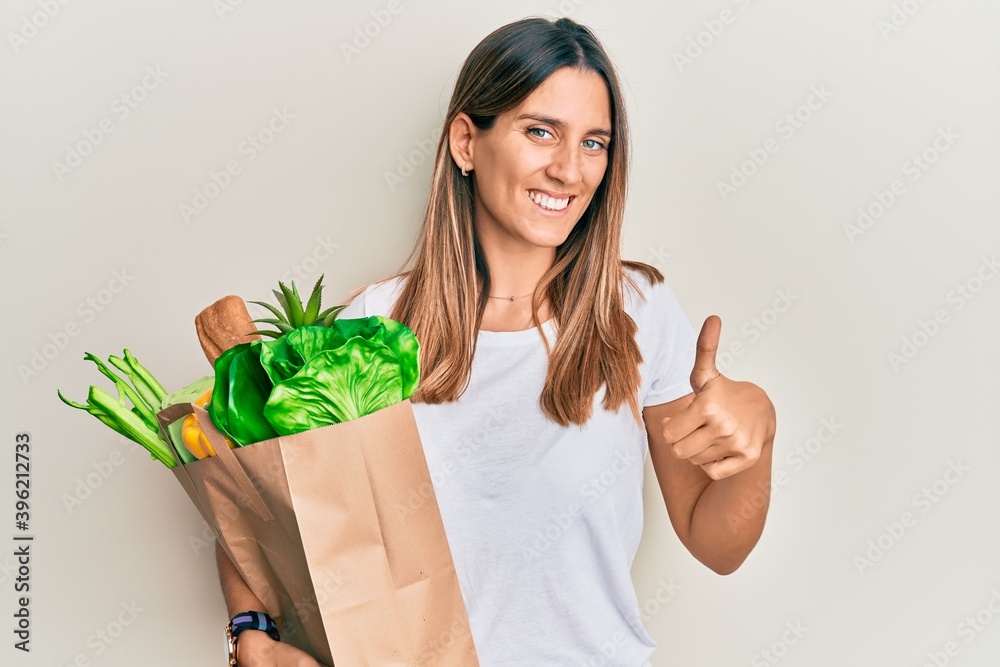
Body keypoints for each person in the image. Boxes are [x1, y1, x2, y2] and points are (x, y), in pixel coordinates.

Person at [219, 15, 776, 666]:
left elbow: (718, 544)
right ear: (466, 141)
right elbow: (259, 508)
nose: (569, 169)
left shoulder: (637, 311)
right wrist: (251, 636)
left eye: (595, 142)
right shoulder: (374, 325)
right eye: (541, 131)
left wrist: (759, 436)